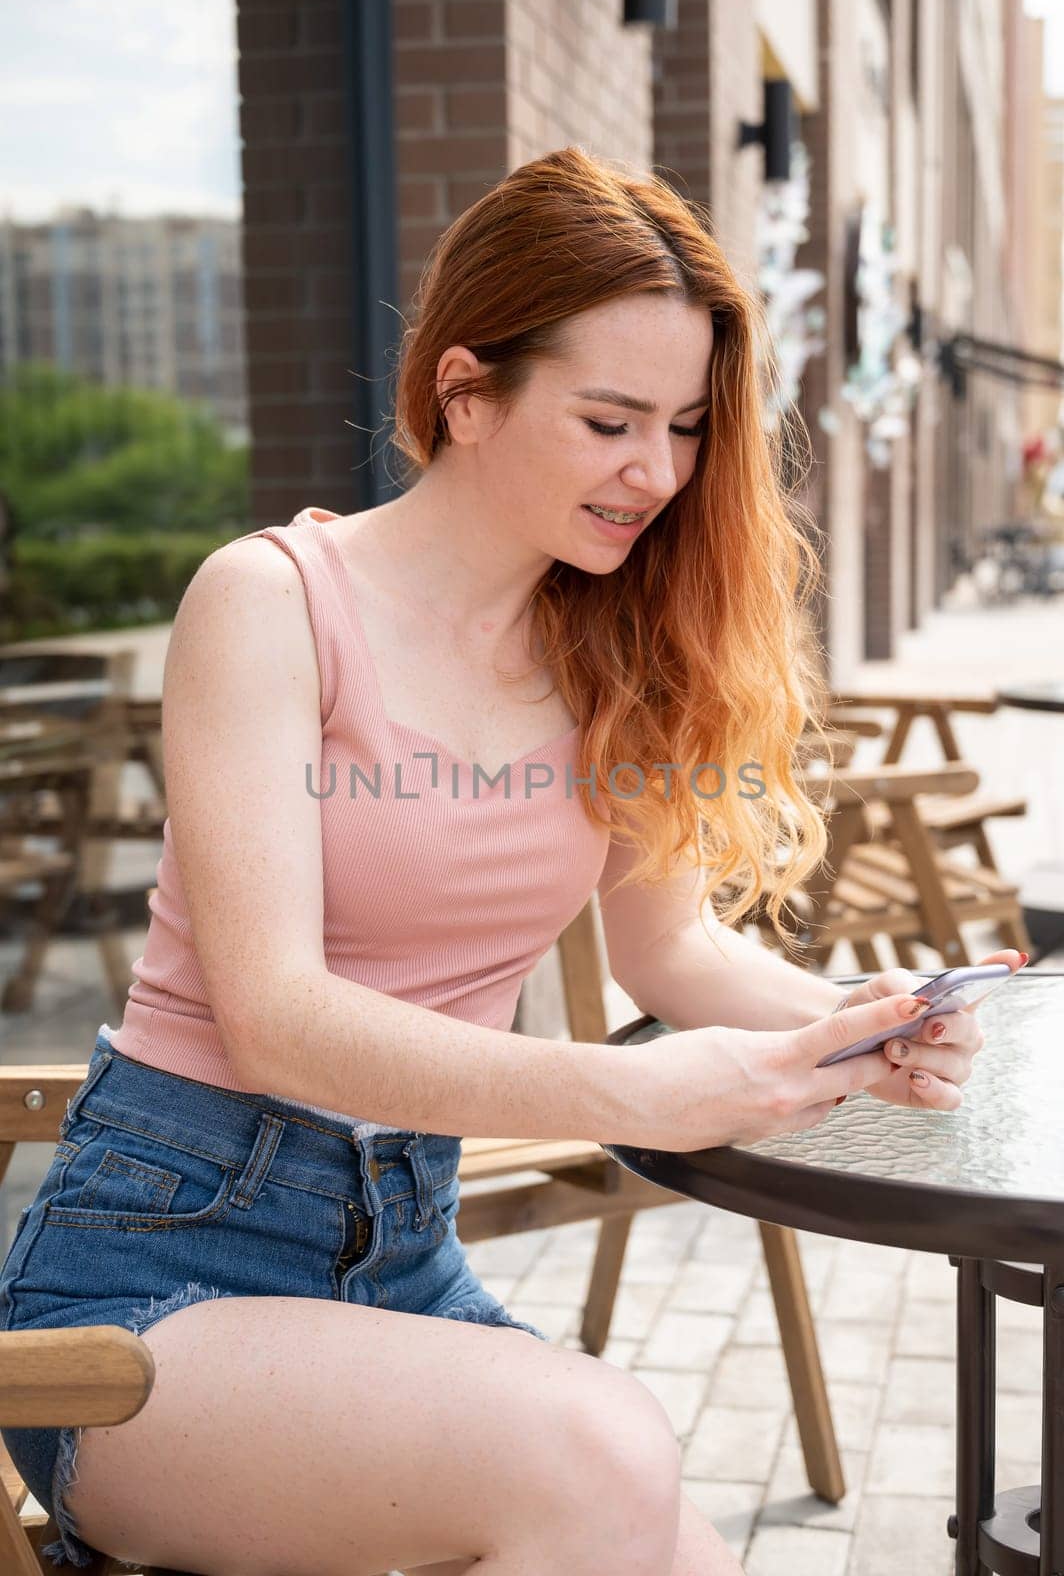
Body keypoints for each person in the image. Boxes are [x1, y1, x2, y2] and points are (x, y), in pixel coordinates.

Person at [0, 147, 1021, 1576]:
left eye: (682, 427)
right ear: (466, 391)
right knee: (600, 1451)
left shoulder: (613, 648)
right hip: (161, 1275)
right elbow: (274, 1018)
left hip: (401, 1258)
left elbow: (673, 951)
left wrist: (859, 1024)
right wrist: (631, 1086)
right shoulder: (273, 604)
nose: (656, 473)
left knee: (667, 1539)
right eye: (609, 419)